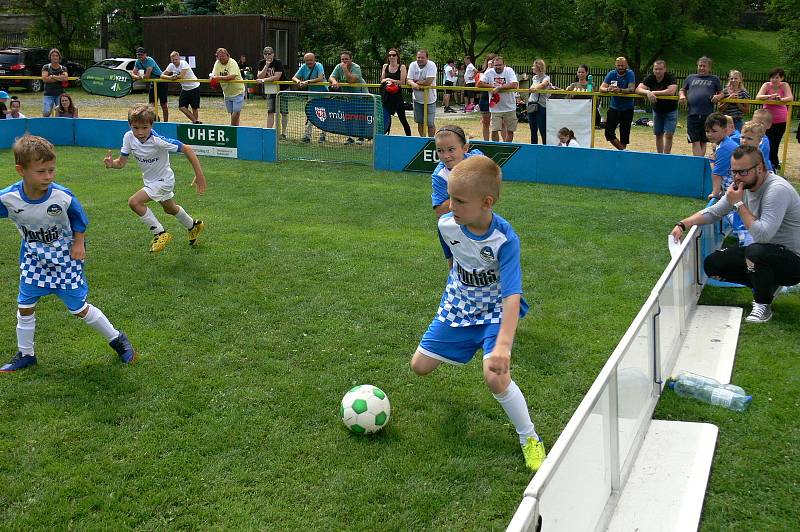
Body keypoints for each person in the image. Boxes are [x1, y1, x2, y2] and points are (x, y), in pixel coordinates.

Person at [411, 155, 547, 472]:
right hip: (458, 305)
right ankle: (472, 345)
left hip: (495, 310)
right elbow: (453, 260)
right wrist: (455, 294)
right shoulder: (446, 224)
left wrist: (501, 345)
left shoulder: (505, 240)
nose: (451, 206)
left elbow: (513, 295)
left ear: (486, 202)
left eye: (459, 201)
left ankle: (530, 438)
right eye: (449, 198)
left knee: (495, 377)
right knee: (419, 367)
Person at [0, 135, 136, 371]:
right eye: (41, 171)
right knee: (25, 306)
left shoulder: (61, 196)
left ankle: (117, 339)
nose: (48, 176)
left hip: (65, 259)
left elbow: (79, 219)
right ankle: (26, 354)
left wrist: (78, 244)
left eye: (51, 170)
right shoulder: (8, 198)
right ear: (21, 170)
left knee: (78, 308)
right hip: (34, 260)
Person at [671, 145, 800, 323]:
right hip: (764, 251)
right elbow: (715, 211)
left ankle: (763, 304)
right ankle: (768, 283)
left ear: (760, 168)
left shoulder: (777, 190)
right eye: (734, 172)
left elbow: (763, 235)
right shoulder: (742, 186)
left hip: (793, 261)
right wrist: (682, 224)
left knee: (755, 252)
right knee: (713, 264)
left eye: (743, 172)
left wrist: (739, 205)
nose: (737, 177)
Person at [103, 104, 207, 253]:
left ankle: (160, 233)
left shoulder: (158, 140)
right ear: (130, 126)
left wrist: (199, 175)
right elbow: (121, 163)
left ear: (152, 125)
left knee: (134, 202)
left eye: (145, 127)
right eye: (136, 128)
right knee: (170, 209)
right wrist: (111, 164)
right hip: (150, 181)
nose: (140, 132)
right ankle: (193, 225)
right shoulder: (128, 137)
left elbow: (187, 148)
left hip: (164, 181)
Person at [431, 125, 484, 217]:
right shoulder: (440, 176)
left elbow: (493, 175)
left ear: (465, 148)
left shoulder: (477, 158)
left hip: (480, 217)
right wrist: (464, 193)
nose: (445, 156)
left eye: (451, 149)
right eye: (440, 150)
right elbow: (439, 211)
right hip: (455, 223)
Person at [678, 56, 722, 157]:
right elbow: (682, 90)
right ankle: (698, 162)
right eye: (700, 65)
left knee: (703, 140)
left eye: (704, 66)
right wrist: (682, 96)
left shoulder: (714, 79)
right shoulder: (691, 78)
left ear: (709, 68)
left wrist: (718, 96)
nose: (702, 68)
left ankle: (700, 162)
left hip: (707, 114)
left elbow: (721, 93)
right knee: (695, 140)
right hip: (693, 113)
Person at [755, 67, 794, 171]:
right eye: (772, 77)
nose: (774, 80)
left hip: (781, 119)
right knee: (765, 141)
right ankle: (766, 163)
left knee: (775, 143)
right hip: (766, 119)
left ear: (782, 78)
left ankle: (773, 165)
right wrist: (769, 96)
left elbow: (790, 98)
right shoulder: (767, 85)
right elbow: (758, 96)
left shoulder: (784, 85)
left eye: (777, 77)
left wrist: (781, 99)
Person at [636, 60, 678, 154]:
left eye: (660, 69)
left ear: (665, 69)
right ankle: (659, 156)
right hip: (657, 110)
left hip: (671, 110)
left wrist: (653, 93)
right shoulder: (650, 78)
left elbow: (671, 91)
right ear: (653, 70)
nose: (658, 71)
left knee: (669, 134)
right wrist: (647, 92)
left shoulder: (670, 77)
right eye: (656, 69)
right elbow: (638, 89)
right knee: (658, 134)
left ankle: (666, 156)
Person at [329, 50, 368, 144]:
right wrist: (334, 81)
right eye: (342, 59)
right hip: (347, 96)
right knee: (348, 117)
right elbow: (331, 77)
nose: (344, 61)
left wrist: (345, 69)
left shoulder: (356, 67)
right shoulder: (338, 66)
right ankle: (350, 137)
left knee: (360, 117)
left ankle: (361, 137)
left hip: (360, 95)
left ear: (351, 59)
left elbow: (351, 80)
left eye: (346, 59)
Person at [479, 55, 519, 143]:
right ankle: (495, 147)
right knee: (494, 130)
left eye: (500, 65)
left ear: (504, 65)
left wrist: (499, 88)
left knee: (510, 131)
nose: (498, 67)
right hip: (495, 108)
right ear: (493, 65)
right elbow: (479, 84)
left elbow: (514, 84)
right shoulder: (489, 72)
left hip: (510, 107)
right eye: (496, 65)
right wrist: (492, 86)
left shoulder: (509, 71)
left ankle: (507, 148)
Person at [600, 57, 636, 150]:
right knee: (608, 133)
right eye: (618, 65)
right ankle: (624, 151)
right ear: (615, 65)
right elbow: (601, 88)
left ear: (626, 65)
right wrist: (608, 89)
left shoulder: (630, 73)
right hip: (614, 107)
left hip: (627, 108)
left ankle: (622, 155)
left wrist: (620, 90)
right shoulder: (611, 74)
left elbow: (632, 89)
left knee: (624, 134)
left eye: (622, 65)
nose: (620, 67)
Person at [292, 52, 328, 143]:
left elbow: (320, 78)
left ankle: (323, 136)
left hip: (323, 94)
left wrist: (307, 81)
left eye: (311, 60)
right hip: (312, 94)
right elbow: (294, 77)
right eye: (307, 60)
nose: (309, 62)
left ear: (314, 60)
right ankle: (307, 136)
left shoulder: (319, 66)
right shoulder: (304, 67)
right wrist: (298, 81)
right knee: (310, 114)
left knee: (323, 115)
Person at [161, 51, 201, 124]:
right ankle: (195, 121)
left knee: (194, 107)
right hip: (185, 88)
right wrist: (170, 77)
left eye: (176, 59)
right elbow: (162, 75)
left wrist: (174, 77)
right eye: (173, 60)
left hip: (194, 87)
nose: (175, 61)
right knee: (181, 107)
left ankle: (195, 124)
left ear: (179, 58)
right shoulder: (171, 65)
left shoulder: (184, 63)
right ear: (171, 60)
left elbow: (181, 76)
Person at [256, 46, 288, 132]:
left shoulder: (278, 62)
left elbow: (277, 77)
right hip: (271, 89)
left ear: (273, 54)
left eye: (269, 54)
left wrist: (263, 80)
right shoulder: (261, 63)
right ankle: (268, 132)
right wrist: (266, 66)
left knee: (283, 112)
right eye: (265, 54)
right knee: (270, 111)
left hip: (283, 89)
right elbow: (259, 76)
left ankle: (283, 133)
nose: (268, 56)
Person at [705, 113, 738, 198]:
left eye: (714, 131)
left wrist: (715, 193)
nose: (710, 134)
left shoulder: (725, 147)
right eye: (707, 131)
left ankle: (724, 194)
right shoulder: (723, 143)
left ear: (725, 131)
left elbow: (717, 173)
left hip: (736, 184)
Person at [210, 48, 245, 126]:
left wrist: (218, 78)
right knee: (233, 113)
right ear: (217, 57)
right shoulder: (217, 63)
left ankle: (231, 129)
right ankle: (236, 128)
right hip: (227, 92)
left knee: (235, 113)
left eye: (223, 56)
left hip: (238, 91)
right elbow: (213, 75)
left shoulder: (232, 62)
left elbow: (232, 77)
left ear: (227, 55)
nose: (221, 58)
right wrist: (212, 79)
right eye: (219, 57)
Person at [380, 48, 411, 136]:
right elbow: (382, 80)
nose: (391, 57)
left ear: (397, 57)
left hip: (397, 96)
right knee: (385, 118)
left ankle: (409, 137)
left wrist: (390, 80)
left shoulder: (402, 67)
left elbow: (402, 81)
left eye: (393, 55)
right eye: (389, 55)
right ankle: (384, 136)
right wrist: (387, 80)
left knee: (403, 119)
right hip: (386, 96)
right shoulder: (385, 66)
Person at [133, 47, 169, 122]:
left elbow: (147, 76)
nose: (140, 56)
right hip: (154, 82)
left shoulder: (150, 60)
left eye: (141, 55)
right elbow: (133, 74)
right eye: (138, 55)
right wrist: (138, 76)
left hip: (161, 82)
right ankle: (155, 120)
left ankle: (166, 122)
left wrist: (139, 77)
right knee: (151, 105)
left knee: (163, 104)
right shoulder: (137, 62)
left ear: (145, 54)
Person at [408, 49, 437, 137]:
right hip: (417, 100)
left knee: (430, 123)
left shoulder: (431, 65)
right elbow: (408, 80)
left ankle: (431, 140)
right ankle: (422, 140)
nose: (420, 59)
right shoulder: (413, 65)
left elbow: (429, 81)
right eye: (418, 57)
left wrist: (416, 82)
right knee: (420, 122)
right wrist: (413, 83)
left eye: (422, 58)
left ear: (427, 58)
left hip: (430, 100)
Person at [526, 59, 552, 145]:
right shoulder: (534, 78)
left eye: (534, 66)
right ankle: (534, 146)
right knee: (533, 129)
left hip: (541, 105)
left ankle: (545, 146)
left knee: (542, 128)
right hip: (531, 104)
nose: (532, 67)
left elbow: (543, 84)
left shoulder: (546, 78)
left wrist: (535, 89)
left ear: (538, 67)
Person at [41, 48, 69, 117]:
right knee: (46, 112)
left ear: (59, 57)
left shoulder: (63, 68)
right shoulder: (46, 67)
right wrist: (59, 78)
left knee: (61, 112)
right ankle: (45, 126)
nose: (55, 57)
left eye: (56, 55)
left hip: (60, 94)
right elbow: (44, 79)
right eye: (53, 56)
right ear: (50, 57)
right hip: (48, 94)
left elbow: (65, 78)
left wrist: (52, 76)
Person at [478, 54, 496, 141]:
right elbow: (480, 83)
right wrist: (489, 68)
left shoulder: (500, 73)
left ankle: (495, 142)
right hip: (485, 98)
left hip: (496, 99)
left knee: (496, 123)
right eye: (492, 61)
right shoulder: (483, 73)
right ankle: (486, 141)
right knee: (486, 122)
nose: (494, 64)